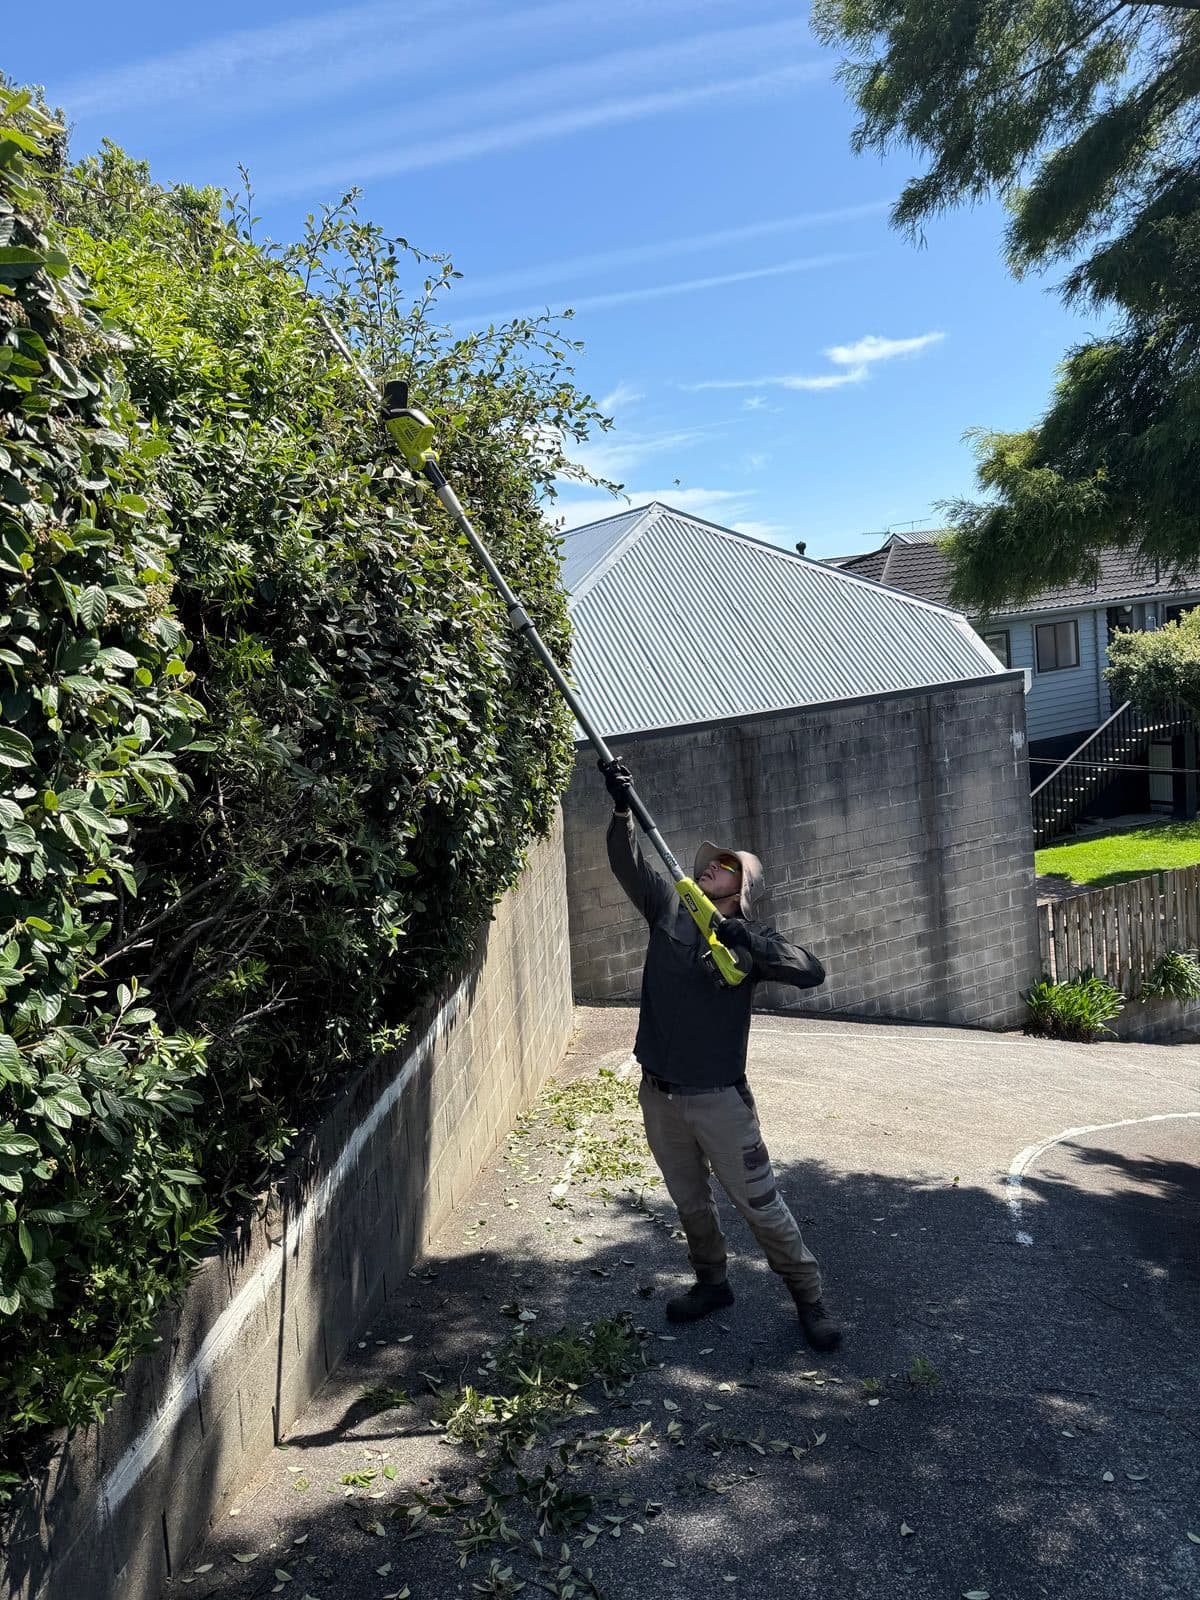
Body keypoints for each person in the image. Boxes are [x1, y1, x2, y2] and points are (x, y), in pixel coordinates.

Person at [601, 758, 841, 1353]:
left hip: (719, 1101)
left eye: (727, 867)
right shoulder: (668, 911)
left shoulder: (749, 947)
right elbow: (627, 863)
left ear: (743, 891)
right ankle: (713, 1283)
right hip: (659, 1094)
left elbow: (811, 970)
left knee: (760, 1204)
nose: (712, 866)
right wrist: (621, 809)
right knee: (689, 1201)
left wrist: (748, 939)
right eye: (712, 860)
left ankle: (809, 1298)